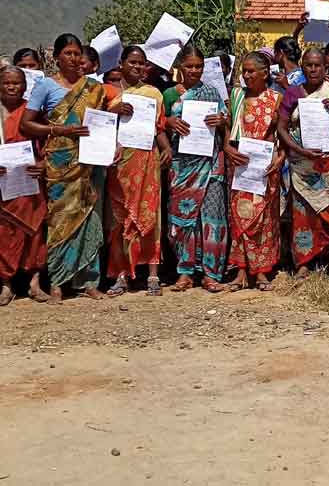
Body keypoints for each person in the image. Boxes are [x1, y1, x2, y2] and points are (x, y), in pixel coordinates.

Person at [21, 34, 109, 303]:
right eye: (68, 53)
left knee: (89, 218)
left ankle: (89, 282)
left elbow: (101, 123)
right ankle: (58, 282)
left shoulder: (94, 88)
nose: (74, 58)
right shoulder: (46, 86)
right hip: (59, 163)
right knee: (60, 221)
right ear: (57, 57)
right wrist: (59, 129)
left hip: (89, 163)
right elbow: (26, 124)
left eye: (77, 53)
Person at [105, 46, 172, 297]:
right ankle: (122, 276)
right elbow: (97, 126)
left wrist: (167, 149)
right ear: (121, 63)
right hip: (119, 164)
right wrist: (112, 112)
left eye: (141, 63)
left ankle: (153, 275)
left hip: (147, 161)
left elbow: (159, 127)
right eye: (132, 62)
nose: (137, 67)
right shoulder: (109, 94)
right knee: (120, 219)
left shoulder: (154, 93)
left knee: (150, 215)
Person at [163, 45, 229, 293]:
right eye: (189, 66)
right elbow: (158, 125)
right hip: (181, 165)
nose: (194, 70)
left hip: (210, 163)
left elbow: (226, 123)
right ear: (179, 67)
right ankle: (185, 272)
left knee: (212, 218)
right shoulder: (169, 94)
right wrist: (169, 122)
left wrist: (222, 122)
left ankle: (211, 274)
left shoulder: (212, 92)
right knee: (183, 219)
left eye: (198, 66)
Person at [277, 48, 329, 280]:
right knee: (303, 216)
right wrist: (299, 150)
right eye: (308, 65)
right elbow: (282, 128)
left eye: (318, 65)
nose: (313, 69)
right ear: (302, 67)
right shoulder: (293, 94)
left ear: (325, 68)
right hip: (301, 166)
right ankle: (303, 262)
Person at [224, 51, 284, 291]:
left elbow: (281, 134)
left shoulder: (276, 99)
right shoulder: (236, 96)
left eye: (251, 71)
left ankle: (261, 272)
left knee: (264, 218)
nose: (246, 75)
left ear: (264, 73)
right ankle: (240, 271)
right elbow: (228, 130)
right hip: (240, 166)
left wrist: (281, 157)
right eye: (244, 71)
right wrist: (227, 147)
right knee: (239, 216)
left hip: (265, 167)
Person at [0, 66, 49, 305]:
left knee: (35, 230)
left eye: (17, 83)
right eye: (7, 82)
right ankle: (6, 284)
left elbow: (49, 141)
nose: (12, 87)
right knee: (4, 234)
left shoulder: (32, 111)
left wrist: (43, 162)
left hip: (29, 181)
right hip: (4, 184)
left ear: (25, 85)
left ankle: (34, 282)